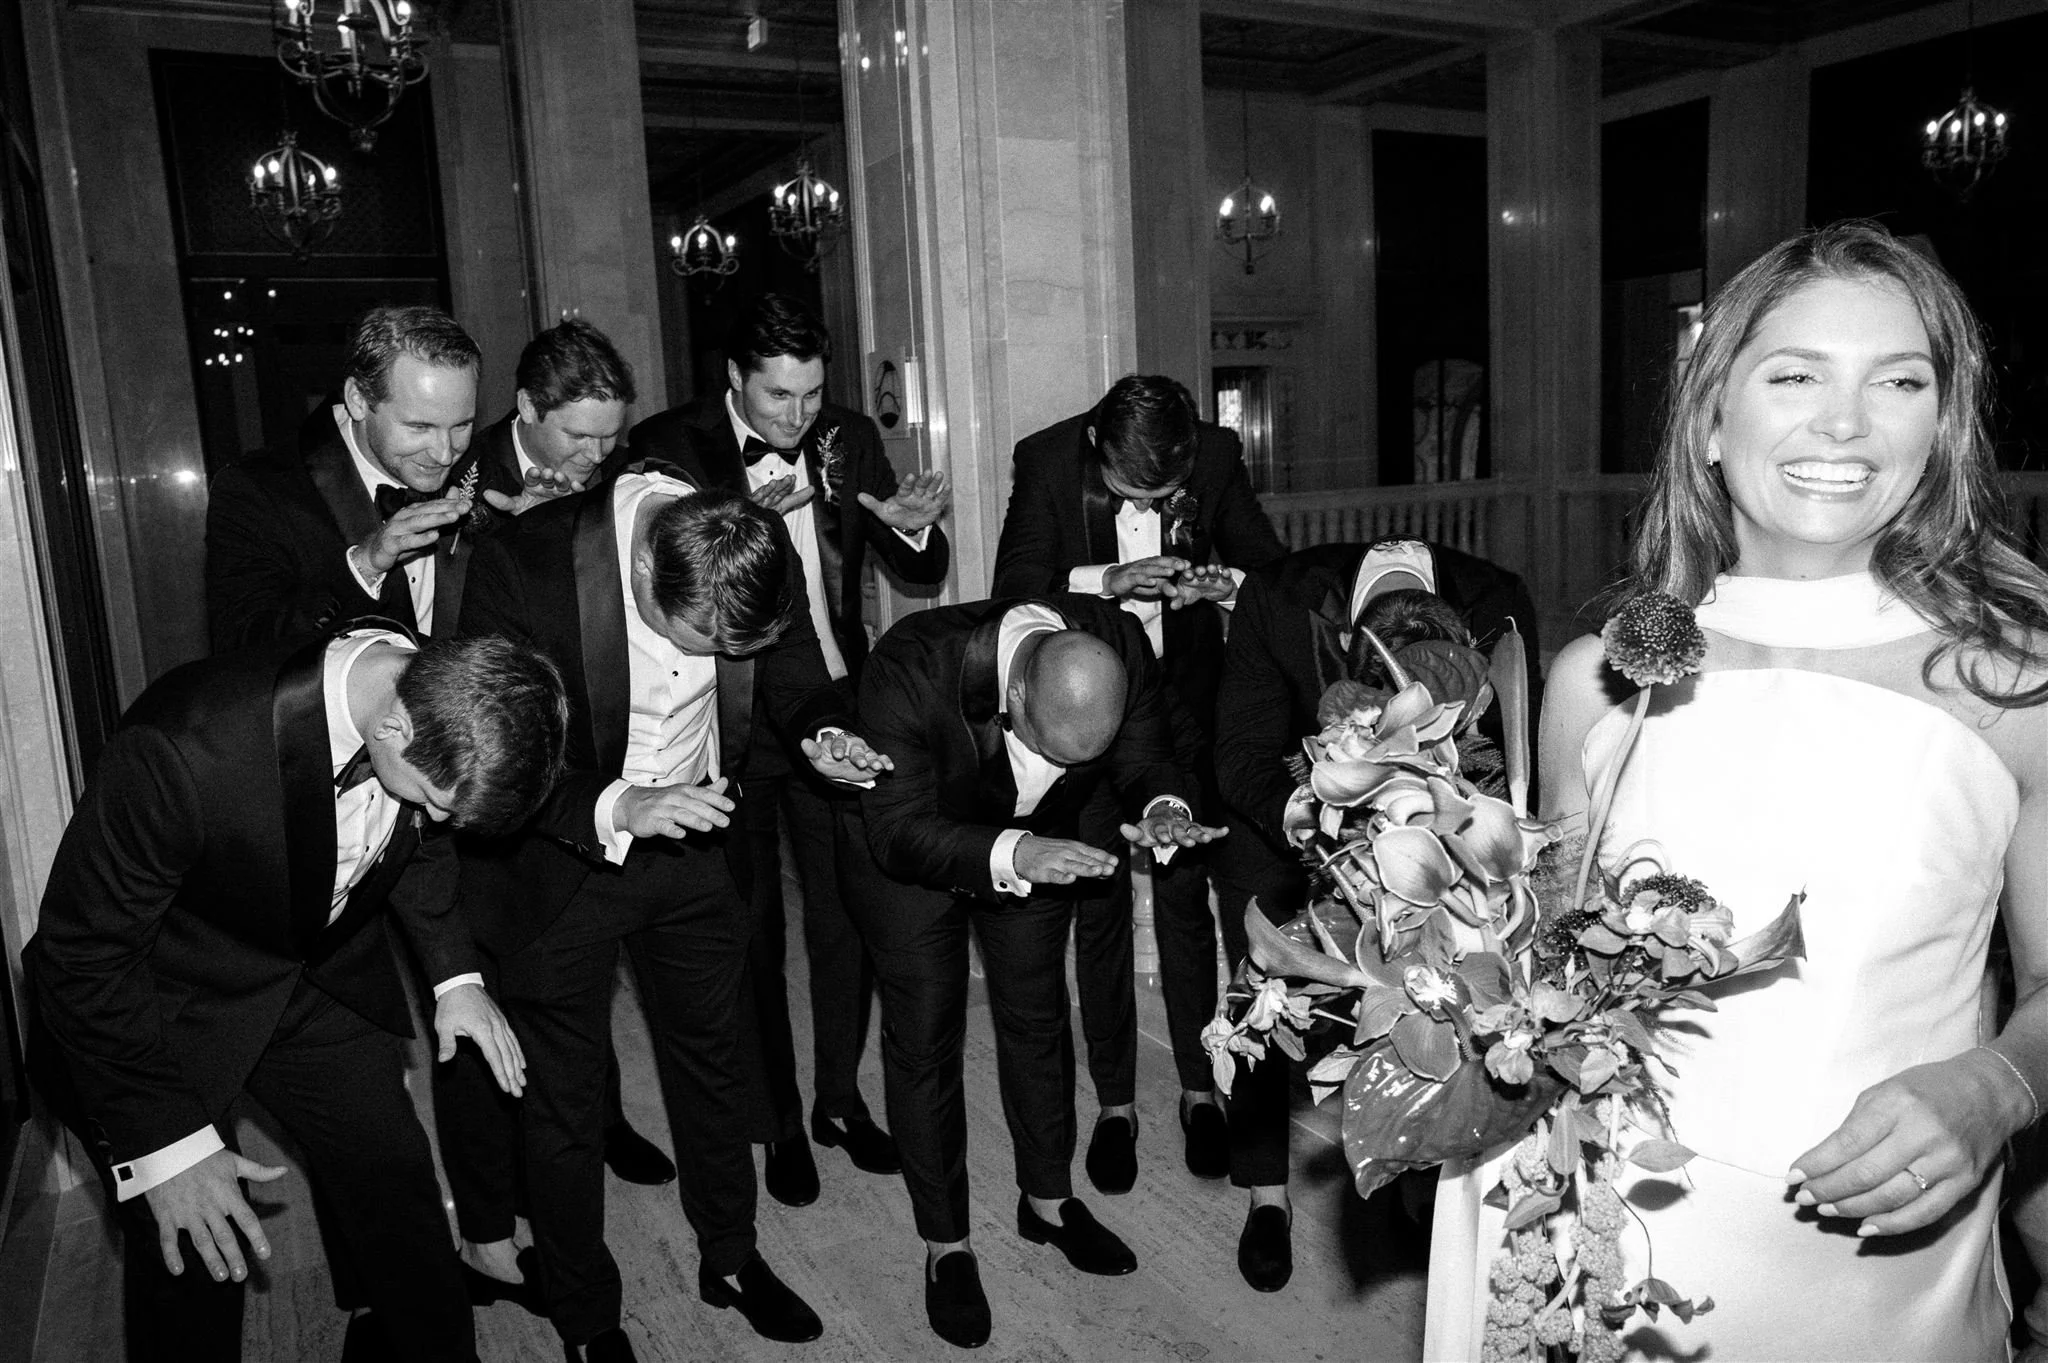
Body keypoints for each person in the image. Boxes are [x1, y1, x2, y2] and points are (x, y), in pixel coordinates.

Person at [1425, 221, 2048, 1360]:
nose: (1844, 422)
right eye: (1795, 375)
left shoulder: (2012, 686)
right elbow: (1552, 962)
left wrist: (1997, 1083)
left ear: (1941, 429)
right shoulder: (1596, 681)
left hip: (1882, 1262)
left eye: (1898, 381)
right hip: (1619, 1225)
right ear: (1712, 419)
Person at [26, 626, 570, 1363]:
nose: (437, 823)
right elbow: (80, 956)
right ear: (394, 726)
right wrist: (166, 1144)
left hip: (311, 976)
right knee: (202, 1253)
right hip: (156, 1008)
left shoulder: (434, 680)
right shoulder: (180, 747)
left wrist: (456, 978)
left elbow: (422, 843)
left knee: (397, 1186)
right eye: (433, 801)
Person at [457, 473, 891, 1362]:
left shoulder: (752, 545)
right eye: (705, 641)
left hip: (696, 843)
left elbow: (796, 674)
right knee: (565, 1100)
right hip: (560, 854)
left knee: (714, 1065)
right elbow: (489, 745)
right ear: (646, 576)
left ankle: (730, 1256)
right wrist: (618, 803)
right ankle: (587, 1315)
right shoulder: (526, 561)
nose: (720, 661)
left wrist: (822, 732)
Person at [629, 293, 949, 1205]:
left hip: (832, 701)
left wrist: (911, 523)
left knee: (848, 916)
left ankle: (838, 1101)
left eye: (811, 394)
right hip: (727, 717)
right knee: (753, 930)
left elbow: (919, 569)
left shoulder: (847, 435)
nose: (798, 416)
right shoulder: (668, 445)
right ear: (734, 378)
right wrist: (741, 520)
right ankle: (773, 1121)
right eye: (778, 396)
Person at [856, 594, 1225, 1348]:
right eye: (1055, 751)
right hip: (916, 854)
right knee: (925, 1039)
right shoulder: (910, 666)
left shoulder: (1118, 640)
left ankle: (1048, 1200)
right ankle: (947, 1245)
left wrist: (1162, 804)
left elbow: (1145, 758)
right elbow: (896, 832)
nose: (1066, 769)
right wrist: (1014, 851)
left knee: (1037, 1015)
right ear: (1017, 695)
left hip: (1042, 842)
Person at [1213, 537, 1537, 1291]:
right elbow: (1239, 754)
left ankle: (1407, 1175)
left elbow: (1509, 750)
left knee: (1429, 1000)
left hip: (1441, 810)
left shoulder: (1499, 601)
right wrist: (1321, 820)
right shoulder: (1276, 601)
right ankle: (1266, 1194)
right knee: (1265, 995)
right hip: (1288, 805)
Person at [992, 374, 1285, 1198]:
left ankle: (1200, 1089)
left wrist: (1224, 586)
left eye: (1166, 493)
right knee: (1100, 907)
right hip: (1084, 709)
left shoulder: (1217, 454)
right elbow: (1014, 591)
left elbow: (1273, 571)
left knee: (1186, 900)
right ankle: (1115, 1104)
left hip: (1186, 711)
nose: (1154, 504)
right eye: (1136, 491)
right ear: (1097, 445)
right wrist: (1107, 581)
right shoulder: (1047, 460)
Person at [433, 318, 674, 1312]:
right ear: (526, 411)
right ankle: (487, 1227)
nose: (595, 458)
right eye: (579, 436)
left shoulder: (607, 478)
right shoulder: (457, 479)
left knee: (579, 973)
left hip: (580, 768)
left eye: (611, 439)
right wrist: (505, 536)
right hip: (471, 773)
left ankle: (596, 1124)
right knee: (479, 999)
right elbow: (435, 626)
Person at [205, 305, 484, 651]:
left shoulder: (485, 469)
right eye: (419, 427)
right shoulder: (256, 490)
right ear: (358, 400)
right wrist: (365, 564)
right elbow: (244, 647)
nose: (444, 453)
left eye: (462, 425)